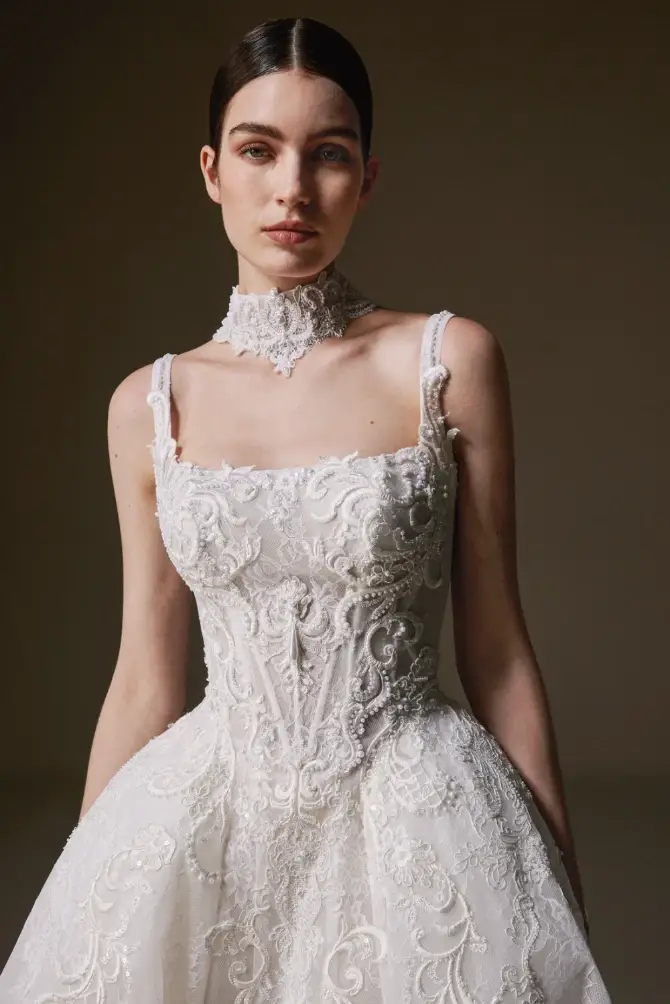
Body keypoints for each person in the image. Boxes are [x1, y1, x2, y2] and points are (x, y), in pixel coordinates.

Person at [0, 16, 611, 1004]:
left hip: (416, 821)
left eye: (327, 155)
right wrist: (86, 891)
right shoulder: (148, 403)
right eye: (258, 149)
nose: (291, 188)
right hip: (211, 817)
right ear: (211, 170)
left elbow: (496, 654)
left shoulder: (449, 361)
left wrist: (559, 900)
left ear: (365, 178)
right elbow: (145, 680)